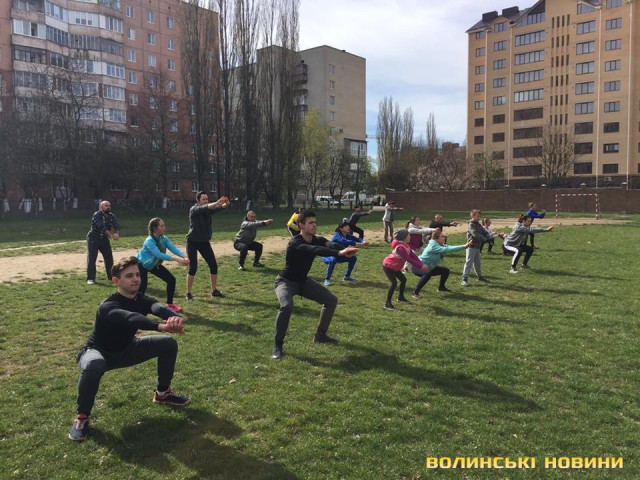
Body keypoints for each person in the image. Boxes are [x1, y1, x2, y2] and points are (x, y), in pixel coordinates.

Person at [69, 256, 189, 442]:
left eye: (137, 275)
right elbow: (130, 318)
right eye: (129, 276)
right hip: (98, 352)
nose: (135, 279)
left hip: (127, 349)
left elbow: (158, 307)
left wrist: (174, 318)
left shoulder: (141, 299)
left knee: (168, 344)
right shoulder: (107, 306)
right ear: (116, 281)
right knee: (93, 365)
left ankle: (163, 393)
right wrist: (161, 326)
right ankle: (82, 417)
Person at [272, 211, 358, 360]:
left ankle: (320, 335)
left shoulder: (317, 239)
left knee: (331, 300)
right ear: (301, 225)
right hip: (286, 282)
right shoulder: (295, 242)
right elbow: (315, 250)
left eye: (315, 222)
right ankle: (278, 345)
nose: (314, 225)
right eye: (311, 223)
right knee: (286, 306)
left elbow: (329, 244)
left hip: (303, 281)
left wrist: (343, 250)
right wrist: (339, 253)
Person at [136, 218, 190, 313]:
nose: (164, 227)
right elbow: (159, 255)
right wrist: (177, 259)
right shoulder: (149, 241)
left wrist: (185, 257)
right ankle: (135, 308)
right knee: (142, 287)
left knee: (171, 280)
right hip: (141, 265)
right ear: (155, 228)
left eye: (164, 225)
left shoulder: (163, 239)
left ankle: (170, 304)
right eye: (161, 226)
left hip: (153, 265)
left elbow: (174, 248)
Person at [185, 192, 230, 301]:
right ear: (198, 200)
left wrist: (225, 204)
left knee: (213, 266)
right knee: (193, 268)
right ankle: (188, 293)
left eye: (207, 199)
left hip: (204, 242)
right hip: (192, 242)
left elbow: (217, 208)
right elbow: (206, 207)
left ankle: (214, 291)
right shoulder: (194, 209)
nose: (206, 201)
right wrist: (217, 202)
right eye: (203, 199)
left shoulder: (208, 210)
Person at [412, 231, 472, 297]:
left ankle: (441, 288)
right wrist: (463, 246)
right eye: (442, 237)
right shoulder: (433, 246)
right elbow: (447, 249)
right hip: (418, 267)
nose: (444, 238)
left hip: (429, 267)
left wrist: (464, 246)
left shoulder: (439, 244)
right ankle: (415, 292)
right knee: (427, 273)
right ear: (436, 238)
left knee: (445, 271)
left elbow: (449, 247)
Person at [382, 229, 428, 310]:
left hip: (395, 267)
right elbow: (408, 259)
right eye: (408, 235)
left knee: (403, 280)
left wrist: (421, 265)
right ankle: (387, 304)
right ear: (404, 237)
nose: (410, 237)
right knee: (394, 283)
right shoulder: (400, 248)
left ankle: (400, 297)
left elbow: (413, 256)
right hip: (388, 266)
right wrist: (420, 266)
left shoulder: (405, 245)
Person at [461, 209, 504, 287]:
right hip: (471, 246)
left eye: (479, 216)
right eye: (477, 216)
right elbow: (475, 234)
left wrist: (490, 237)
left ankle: (480, 276)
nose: (479, 217)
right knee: (469, 263)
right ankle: (464, 279)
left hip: (477, 247)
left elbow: (485, 232)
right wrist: (486, 239)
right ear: (472, 216)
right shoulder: (471, 225)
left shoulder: (478, 224)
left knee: (477, 263)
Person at [321, 221, 368, 285]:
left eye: (348, 226)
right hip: (328, 256)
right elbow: (345, 241)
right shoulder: (337, 235)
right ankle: (327, 280)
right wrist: (359, 244)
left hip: (339, 255)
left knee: (353, 258)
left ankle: (347, 277)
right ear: (341, 229)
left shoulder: (348, 235)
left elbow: (356, 238)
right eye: (346, 226)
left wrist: (363, 241)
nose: (348, 227)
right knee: (332, 260)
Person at [86, 200, 120, 285]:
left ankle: (111, 277)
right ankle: (90, 278)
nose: (108, 207)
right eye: (106, 205)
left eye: (109, 206)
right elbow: (101, 227)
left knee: (109, 258)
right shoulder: (96, 215)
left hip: (104, 239)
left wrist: (117, 234)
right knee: (92, 258)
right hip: (94, 238)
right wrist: (111, 235)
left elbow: (117, 225)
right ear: (101, 207)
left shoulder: (111, 216)